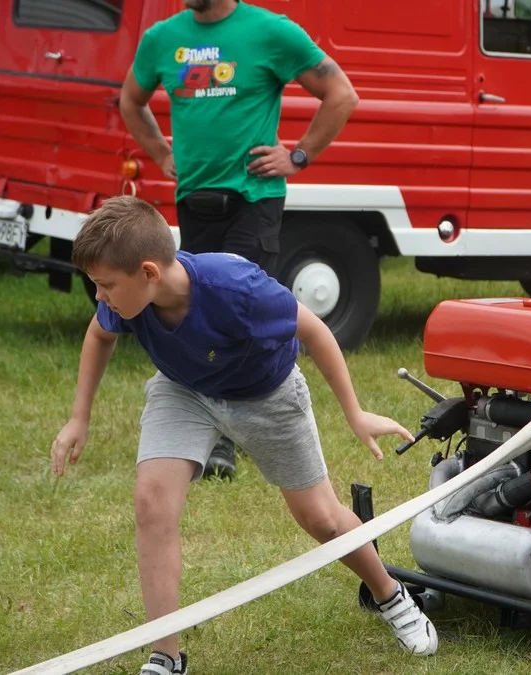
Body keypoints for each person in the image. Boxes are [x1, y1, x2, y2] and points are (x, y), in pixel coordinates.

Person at [49, 196, 438, 675]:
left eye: (105, 286)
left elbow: (313, 329)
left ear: (149, 272)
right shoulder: (127, 299)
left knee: (322, 520)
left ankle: (390, 594)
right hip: (185, 390)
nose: (100, 297)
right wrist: (78, 417)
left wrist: (354, 413)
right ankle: (165, 656)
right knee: (152, 502)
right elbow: (98, 334)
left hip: (266, 394)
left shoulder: (234, 288)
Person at [119, 0, 360, 479]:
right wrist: (161, 152)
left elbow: (340, 93)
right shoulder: (162, 38)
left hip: (253, 197)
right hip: (195, 197)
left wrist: (299, 155)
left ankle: (232, 435)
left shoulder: (270, 31)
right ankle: (209, 419)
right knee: (195, 309)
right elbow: (131, 100)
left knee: (236, 310)